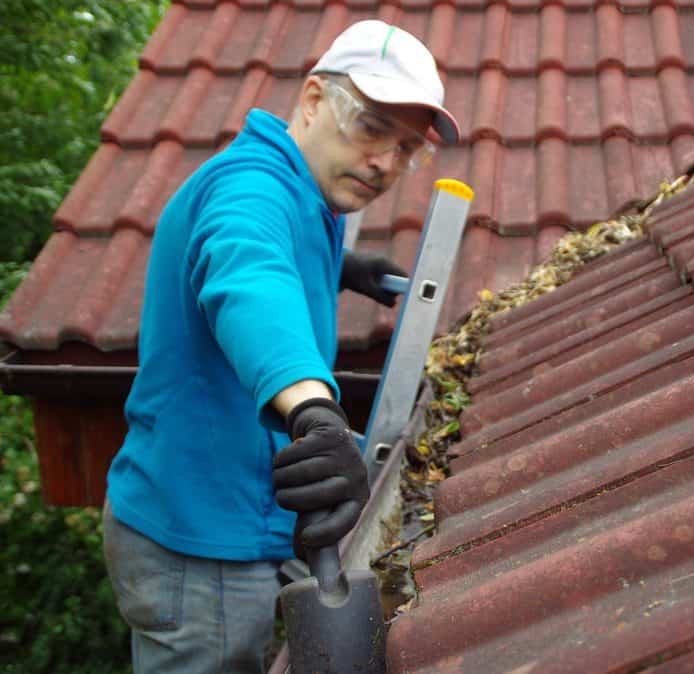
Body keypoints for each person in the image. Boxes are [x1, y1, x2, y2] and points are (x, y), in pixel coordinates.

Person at [101, 20, 460, 673]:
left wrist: (334, 268)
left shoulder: (312, 198)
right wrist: (314, 413)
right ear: (316, 100)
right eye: (372, 127)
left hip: (244, 511)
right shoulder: (252, 187)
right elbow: (249, 278)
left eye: (407, 148)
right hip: (198, 537)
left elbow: (277, 263)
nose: (386, 162)